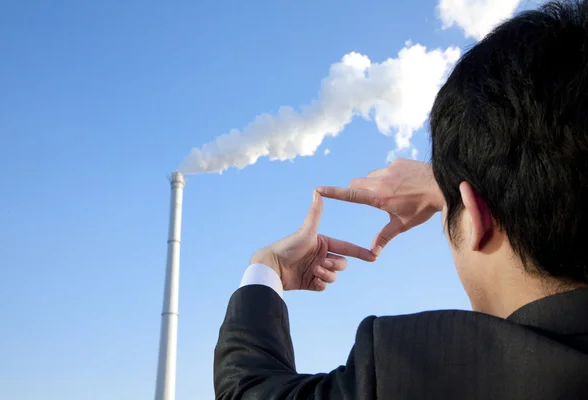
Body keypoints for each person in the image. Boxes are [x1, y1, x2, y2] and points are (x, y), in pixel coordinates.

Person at [214, 1, 588, 398]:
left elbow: (249, 391)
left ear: (478, 218)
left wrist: (266, 267)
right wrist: (456, 186)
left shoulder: (424, 370)